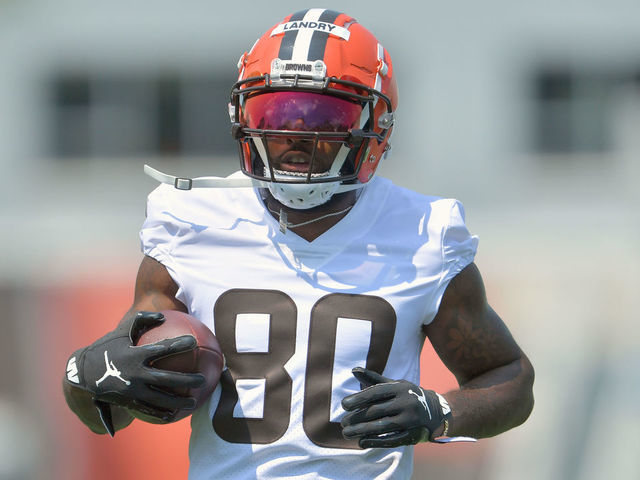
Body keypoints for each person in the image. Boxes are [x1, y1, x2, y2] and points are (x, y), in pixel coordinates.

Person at [62, 8, 534, 480]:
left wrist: (441, 412)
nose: (296, 136)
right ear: (242, 115)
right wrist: (85, 374)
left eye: (326, 118)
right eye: (276, 113)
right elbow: (109, 406)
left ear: (375, 124)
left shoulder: (422, 234)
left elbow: (510, 380)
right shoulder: (192, 223)